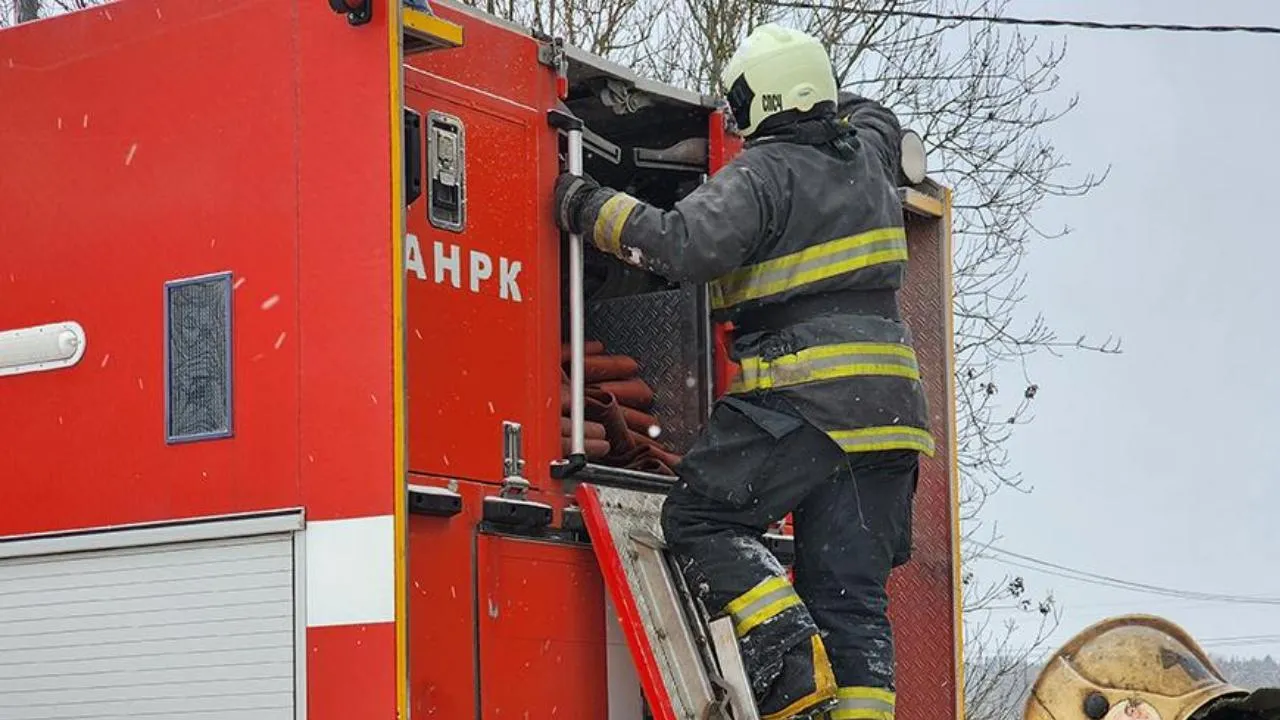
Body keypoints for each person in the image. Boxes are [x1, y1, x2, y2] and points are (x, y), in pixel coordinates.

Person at [554, 23, 933, 720]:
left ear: (763, 99)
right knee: (850, 601)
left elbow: (681, 244)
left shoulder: (765, 172)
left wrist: (586, 205)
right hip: (893, 418)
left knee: (699, 518)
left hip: (806, 400)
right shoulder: (871, 153)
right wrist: (825, 98)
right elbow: (875, 113)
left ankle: (789, 661)